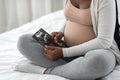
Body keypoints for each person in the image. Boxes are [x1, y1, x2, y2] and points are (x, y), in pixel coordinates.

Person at [15, 0, 120, 80]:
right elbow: (70, 19)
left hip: (97, 51)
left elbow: (104, 41)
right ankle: (75, 69)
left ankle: (47, 71)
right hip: (66, 48)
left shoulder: (105, 1)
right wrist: (61, 32)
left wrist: (63, 53)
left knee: (100, 62)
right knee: (24, 41)